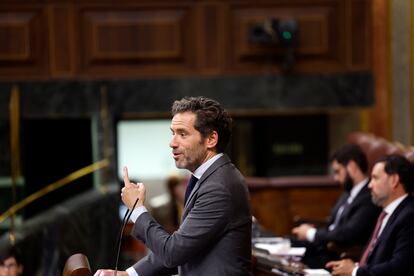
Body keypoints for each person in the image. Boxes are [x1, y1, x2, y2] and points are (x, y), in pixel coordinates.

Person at [95, 96, 252, 275]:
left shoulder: (219, 187)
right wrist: (129, 274)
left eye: (182, 134)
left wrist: (137, 210)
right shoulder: (209, 178)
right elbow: (185, 246)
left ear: (211, 139)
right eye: (173, 133)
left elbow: (173, 252)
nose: (172, 143)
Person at [292, 144, 381, 268]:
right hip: (325, 246)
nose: (335, 178)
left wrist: (311, 233)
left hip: (337, 255)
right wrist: (312, 230)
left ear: (352, 167)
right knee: (285, 246)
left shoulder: (369, 198)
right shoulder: (348, 191)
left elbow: (347, 234)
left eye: (338, 171)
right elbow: (333, 224)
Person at [326, 154, 414, 276]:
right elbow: (376, 257)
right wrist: (353, 266)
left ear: (394, 180)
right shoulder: (386, 212)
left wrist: (355, 271)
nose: (369, 185)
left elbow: (399, 267)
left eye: (375, 178)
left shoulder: (409, 216)